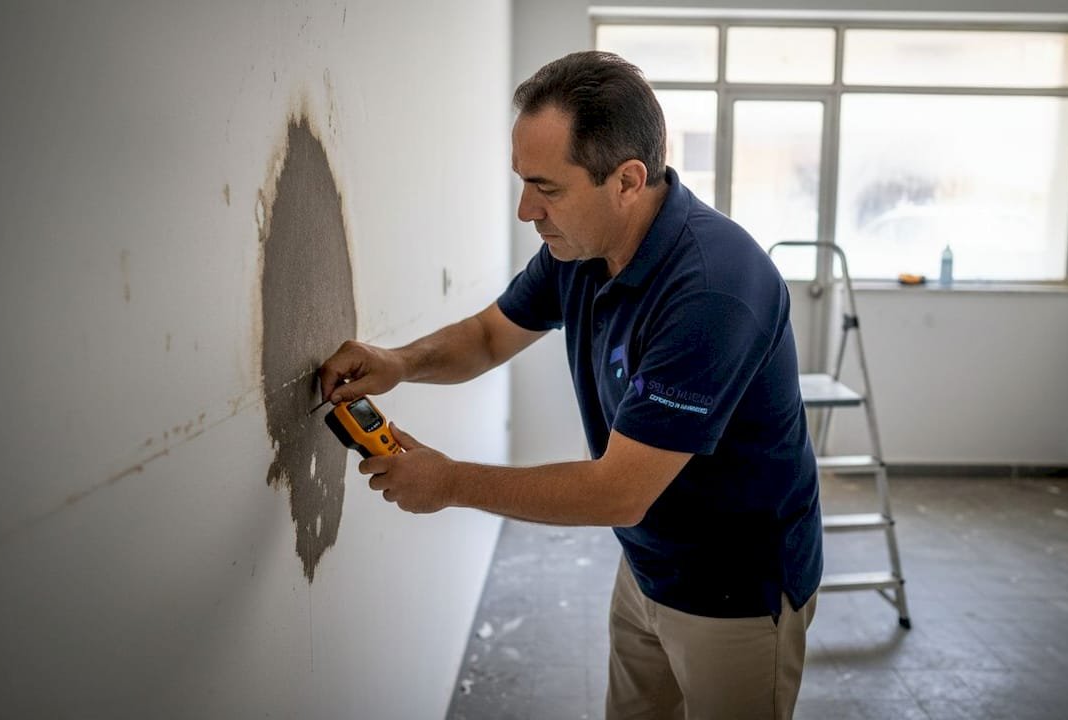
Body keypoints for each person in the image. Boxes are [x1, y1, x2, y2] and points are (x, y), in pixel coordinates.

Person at [318, 50, 822, 719]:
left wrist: (450, 483)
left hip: (735, 589)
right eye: (522, 182)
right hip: (646, 564)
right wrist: (399, 361)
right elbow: (490, 335)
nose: (526, 209)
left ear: (627, 181)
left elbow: (619, 492)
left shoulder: (712, 293)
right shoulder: (579, 250)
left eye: (547, 188)